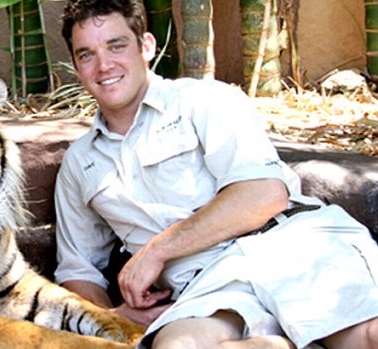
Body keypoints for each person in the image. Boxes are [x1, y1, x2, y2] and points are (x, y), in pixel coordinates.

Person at [53, 0, 378, 348]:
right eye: (87, 54)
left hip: (288, 244)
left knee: (365, 338)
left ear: (146, 47)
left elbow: (264, 194)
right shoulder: (80, 162)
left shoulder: (203, 100)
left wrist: (156, 251)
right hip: (205, 289)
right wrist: (110, 316)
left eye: (116, 46)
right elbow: (77, 269)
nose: (104, 65)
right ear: (75, 66)